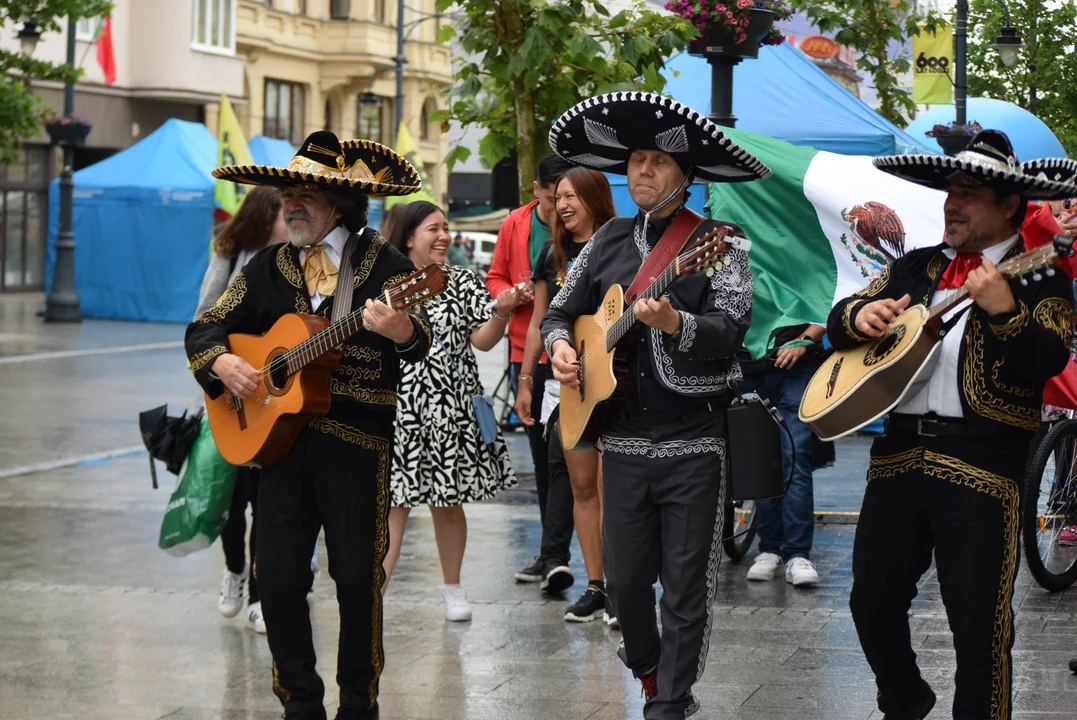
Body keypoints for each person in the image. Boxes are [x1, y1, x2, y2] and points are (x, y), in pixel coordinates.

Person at [829, 130, 1075, 720]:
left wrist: (1004, 311)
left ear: (1011, 205)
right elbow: (837, 323)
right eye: (949, 192)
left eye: (969, 193)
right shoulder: (915, 267)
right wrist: (859, 315)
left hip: (985, 467)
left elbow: (1047, 362)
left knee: (979, 628)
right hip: (896, 459)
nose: (952, 204)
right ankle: (906, 694)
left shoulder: (1044, 278)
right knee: (870, 603)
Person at [186, 131, 431, 720]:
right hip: (277, 446)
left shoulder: (387, 264)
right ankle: (299, 702)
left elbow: (419, 340)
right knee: (277, 573)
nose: (290, 204)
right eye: (287, 193)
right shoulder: (268, 266)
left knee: (355, 579)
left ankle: (357, 706)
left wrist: (399, 330)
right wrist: (223, 362)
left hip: (355, 442)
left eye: (304, 195)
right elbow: (206, 327)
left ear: (341, 203)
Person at [541, 92, 771, 719]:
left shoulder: (720, 242)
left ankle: (669, 704)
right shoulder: (607, 238)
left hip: (696, 439)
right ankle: (647, 667)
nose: (642, 171)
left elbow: (733, 328)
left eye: (658, 162)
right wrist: (562, 347)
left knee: (686, 589)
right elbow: (561, 310)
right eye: (636, 160)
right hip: (621, 440)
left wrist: (676, 322)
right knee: (623, 588)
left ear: (686, 175)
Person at [380, 201, 530, 620]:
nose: (444, 236)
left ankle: (453, 589)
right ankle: (375, 595)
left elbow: (482, 341)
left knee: (447, 501)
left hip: (452, 408)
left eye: (446, 228)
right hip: (401, 409)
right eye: (434, 229)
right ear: (409, 237)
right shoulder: (384, 285)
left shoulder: (463, 281)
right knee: (393, 504)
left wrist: (502, 312)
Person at [515, 167, 616, 623]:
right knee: (578, 482)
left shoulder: (619, 246)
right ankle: (595, 585)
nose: (564, 204)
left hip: (614, 382)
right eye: (559, 196)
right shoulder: (551, 253)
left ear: (595, 197)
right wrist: (525, 379)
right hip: (561, 381)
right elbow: (540, 320)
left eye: (573, 195)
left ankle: (620, 583)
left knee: (611, 484)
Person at [195, 187, 289, 633]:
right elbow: (202, 318)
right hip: (230, 393)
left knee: (264, 500)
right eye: (281, 210)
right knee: (231, 501)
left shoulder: (298, 259)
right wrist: (225, 363)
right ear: (263, 216)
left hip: (275, 395)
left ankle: (259, 595)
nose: (290, 215)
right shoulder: (232, 255)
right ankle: (234, 570)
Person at [486, 154, 578, 591]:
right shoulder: (516, 226)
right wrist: (509, 295)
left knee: (573, 463)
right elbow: (495, 277)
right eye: (550, 198)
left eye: (565, 197)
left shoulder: (595, 237)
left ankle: (584, 565)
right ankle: (551, 552)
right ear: (537, 190)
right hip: (529, 350)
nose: (556, 207)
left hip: (576, 358)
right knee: (546, 460)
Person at [739, 322, 827, 587]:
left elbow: (829, 295)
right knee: (760, 458)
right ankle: (770, 547)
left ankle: (798, 552)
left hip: (798, 363)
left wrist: (804, 339)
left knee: (796, 456)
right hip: (749, 364)